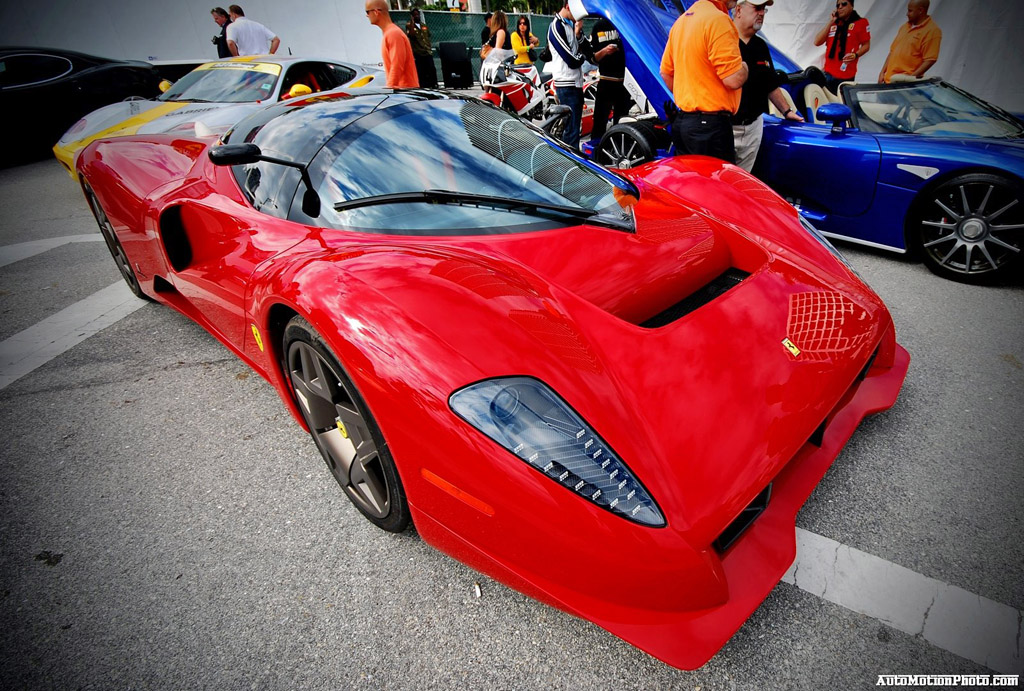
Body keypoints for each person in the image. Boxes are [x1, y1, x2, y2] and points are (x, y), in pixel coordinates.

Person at [660, 0, 748, 164]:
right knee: (719, 186)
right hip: (710, 127)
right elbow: (733, 79)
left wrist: (690, 96)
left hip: (685, 122)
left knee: (690, 185)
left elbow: (666, 73)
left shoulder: (681, 22)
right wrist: (745, 68)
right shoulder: (718, 20)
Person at [731, 0, 803, 173]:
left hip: (753, 126)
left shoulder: (760, 45)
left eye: (764, 9)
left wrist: (787, 111)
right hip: (726, 125)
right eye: (757, 8)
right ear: (738, 10)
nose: (762, 13)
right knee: (720, 185)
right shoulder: (723, 40)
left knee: (741, 182)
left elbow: (770, 83)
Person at [548, 2, 588, 149]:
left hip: (575, 83)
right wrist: (582, 56)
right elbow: (571, 60)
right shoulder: (556, 26)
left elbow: (582, 51)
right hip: (566, 83)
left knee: (574, 129)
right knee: (570, 130)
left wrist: (578, 34)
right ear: (568, 6)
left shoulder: (569, 25)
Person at [585, 18, 630, 142]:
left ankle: (619, 150)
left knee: (622, 122)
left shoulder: (625, 22)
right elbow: (593, 58)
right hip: (606, 80)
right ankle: (595, 153)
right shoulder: (599, 26)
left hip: (625, 82)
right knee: (600, 121)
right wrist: (605, 51)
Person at [812, 0, 870, 94]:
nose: (840, 7)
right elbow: (817, 42)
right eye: (838, 5)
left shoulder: (861, 22)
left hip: (846, 75)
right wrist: (831, 21)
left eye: (844, 4)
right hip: (828, 73)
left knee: (843, 105)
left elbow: (866, 45)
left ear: (851, 6)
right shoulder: (834, 24)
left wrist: (855, 55)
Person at [879, 0, 942, 83]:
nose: (907, 14)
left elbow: (930, 60)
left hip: (903, 85)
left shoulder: (932, 31)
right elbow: (892, 51)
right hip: (888, 81)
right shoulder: (905, 26)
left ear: (920, 10)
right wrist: (882, 72)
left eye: (910, 11)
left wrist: (909, 80)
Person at [365, 0, 418, 88]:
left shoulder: (393, 33)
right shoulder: (391, 33)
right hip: (403, 91)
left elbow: (397, 65)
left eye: (367, 12)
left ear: (376, 12)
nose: (367, 15)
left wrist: (389, 89)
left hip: (403, 92)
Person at [406, 7, 437, 88]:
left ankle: (433, 84)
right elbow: (411, 35)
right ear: (412, 16)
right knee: (421, 70)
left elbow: (428, 36)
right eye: (414, 15)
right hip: (418, 52)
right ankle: (423, 85)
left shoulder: (423, 25)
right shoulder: (409, 26)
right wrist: (412, 22)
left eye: (417, 14)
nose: (417, 16)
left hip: (427, 51)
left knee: (431, 68)